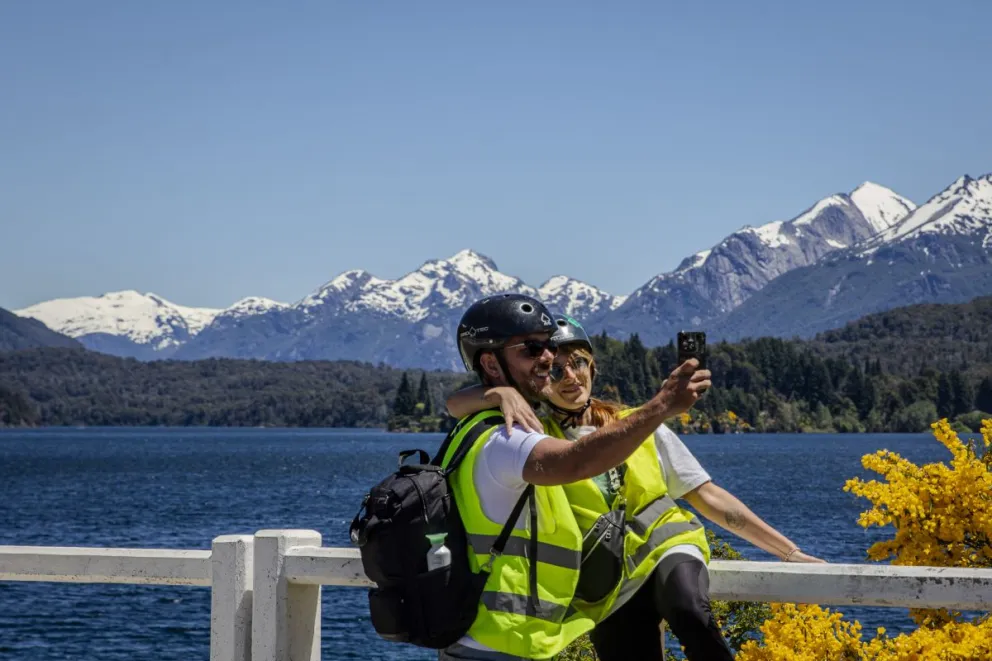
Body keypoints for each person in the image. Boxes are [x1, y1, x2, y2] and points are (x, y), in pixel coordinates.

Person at [446, 312, 826, 661]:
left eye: (578, 363)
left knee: (688, 609)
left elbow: (708, 497)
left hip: (665, 548)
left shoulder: (638, 425)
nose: (571, 377)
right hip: (608, 582)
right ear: (542, 381)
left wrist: (789, 552)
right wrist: (496, 393)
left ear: (592, 365)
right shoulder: (538, 439)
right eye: (556, 370)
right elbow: (453, 404)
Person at [438, 293, 713, 661]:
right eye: (532, 349)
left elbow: (454, 403)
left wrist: (494, 392)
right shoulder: (506, 437)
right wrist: (661, 406)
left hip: (501, 642)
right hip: (496, 647)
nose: (549, 358)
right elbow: (575, 461)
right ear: (490, 361)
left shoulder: (485, 423)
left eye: (549, 346)